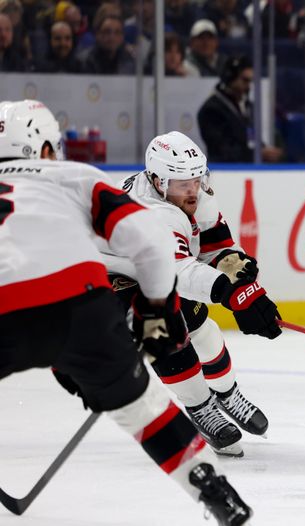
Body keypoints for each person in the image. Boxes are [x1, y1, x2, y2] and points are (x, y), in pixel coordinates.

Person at [0, 100, 251, 524]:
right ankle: (209, 486)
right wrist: (158, 309)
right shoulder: (75, 176)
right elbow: (150, 243)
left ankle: (73, 373)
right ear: (44, 149)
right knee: (141, 406)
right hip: (79, 307)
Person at [104, 131, 282, 457]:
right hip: (120, 284)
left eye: (197, 179)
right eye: (184, 183)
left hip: (162, 270)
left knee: (204, 331)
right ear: (159, 182)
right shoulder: (152, 213)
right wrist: (228, 292)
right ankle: (201, 408)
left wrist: (235, 271)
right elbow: (180, 271)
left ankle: (227, 394)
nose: (194, 190)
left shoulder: (189, 193)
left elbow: (215, 242)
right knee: (170, 339)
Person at [198, 55, 285, 163]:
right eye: (245, 80)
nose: (248, 86)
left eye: (250, 81)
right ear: (229, 78)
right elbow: (223, 150)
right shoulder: (211, 110)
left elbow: (250, 138)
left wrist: (265, 150)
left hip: (248, 169)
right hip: (223, 172)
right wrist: (259, 154)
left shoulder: (246, 106)